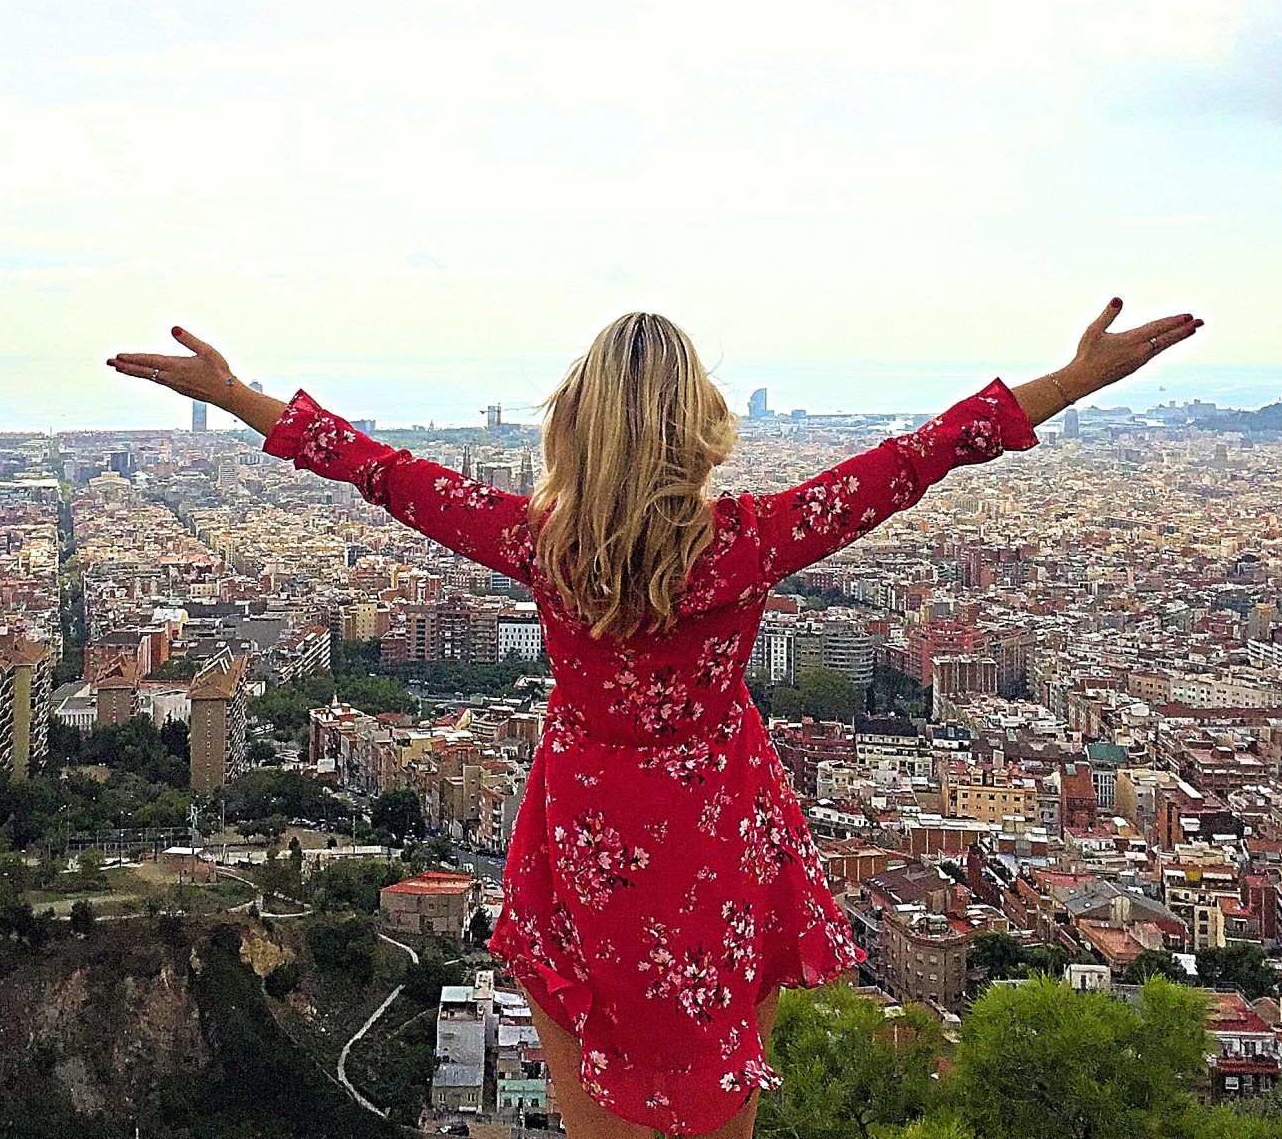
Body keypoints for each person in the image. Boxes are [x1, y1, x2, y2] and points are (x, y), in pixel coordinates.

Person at [108, 299, 1200, 1138]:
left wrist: (239, 392)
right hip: (718, 826)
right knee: (720, 1086)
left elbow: (378, 472)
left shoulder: (537, 540)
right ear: (699, 427)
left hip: (586, 831)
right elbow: (913, 460)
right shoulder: (751, 538)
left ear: (574, 425)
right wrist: (1070, 380)